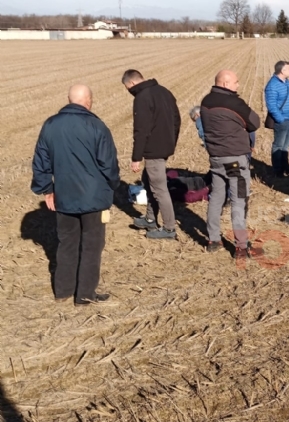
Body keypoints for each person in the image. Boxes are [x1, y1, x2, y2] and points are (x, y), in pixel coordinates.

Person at [31, 84, 119, 304]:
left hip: (64, 196)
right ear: (88, 100)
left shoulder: (50, 125)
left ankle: (63, 290)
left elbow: (40, 163)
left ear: (69, 100)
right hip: (94, 198)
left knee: (66, 243)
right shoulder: (97, 126)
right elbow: (109, 165)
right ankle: (85, 294)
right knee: (92, 245)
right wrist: (113, 186)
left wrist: (47, 190)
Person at [200, 70, 260, 258]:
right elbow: (254, 122)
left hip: (215, 158)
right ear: (225, 84)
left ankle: (213, 239)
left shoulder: (205, 102)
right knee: (238, 200)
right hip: (235, 159)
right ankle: (241, 246)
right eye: (236, 82)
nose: (238, 85)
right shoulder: (233, 103)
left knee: (216, 197)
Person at [122, 69, 181, 240]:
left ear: (132, 83)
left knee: (159, 189)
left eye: (128, 87)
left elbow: (141, 130)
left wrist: (136, 158)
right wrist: (171, 142)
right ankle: (150, 218)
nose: (128, 91)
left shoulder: (142, 98)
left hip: (154, 150)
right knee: (148, 182)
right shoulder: (164, 91)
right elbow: (177, 120)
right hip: (165, 146)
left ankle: (169, 229)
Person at [264, 60, 289, 177]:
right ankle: (277, 170)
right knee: (278, 146)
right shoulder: (272, 85)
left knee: (286, 146)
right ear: (282, 71)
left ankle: (286, 167)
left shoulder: (287, 82)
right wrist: (280, 119)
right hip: (282, 121)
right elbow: (271, 106)